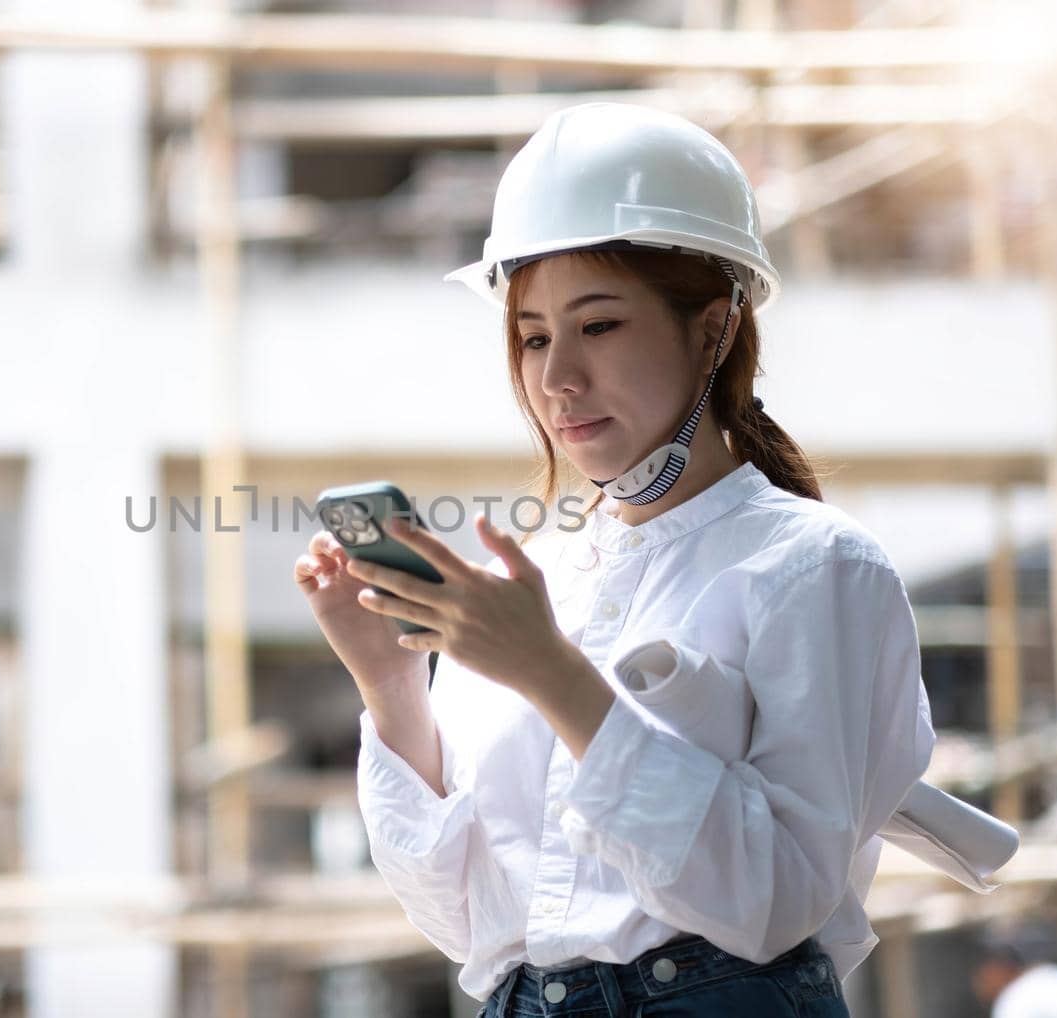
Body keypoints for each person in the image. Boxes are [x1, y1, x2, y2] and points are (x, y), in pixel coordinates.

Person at [294, 102, 937, 1017]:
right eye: (533, 336)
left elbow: (773, 901)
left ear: (713, 329)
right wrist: (391, 682)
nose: (558, 379)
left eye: (598, 326)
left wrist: (553, 672)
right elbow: (464, 921)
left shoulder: (812, 565)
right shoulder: (534, 583)